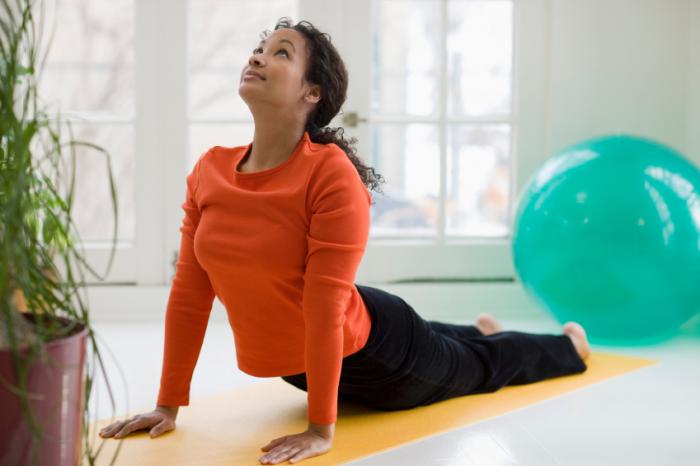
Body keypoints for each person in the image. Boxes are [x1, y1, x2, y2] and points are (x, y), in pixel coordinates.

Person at [98, 17, 591, 465]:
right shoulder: (210, 169)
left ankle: (567, 346)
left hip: (376, 356)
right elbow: (189, 293)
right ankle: (476, 328)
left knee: (477, 368)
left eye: (281, 53)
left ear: (312, 93)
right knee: (440, 339)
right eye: (259, 49)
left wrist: (321, 430)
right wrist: (168, 405)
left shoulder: (328, 175)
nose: (257, 57)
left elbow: (326, 305)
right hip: (306, 362)